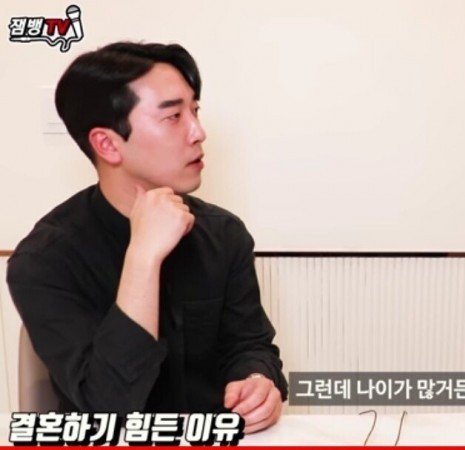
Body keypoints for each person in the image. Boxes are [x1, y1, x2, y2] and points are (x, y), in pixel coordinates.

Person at [7, 42, 287, 433]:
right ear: (107, 144)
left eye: (195, 111)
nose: (198, 132)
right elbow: (109, 407)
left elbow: (250, 345)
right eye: (173, 116)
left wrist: (258, 380)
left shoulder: (224, 234)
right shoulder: (45, 259)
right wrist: (143, 257)